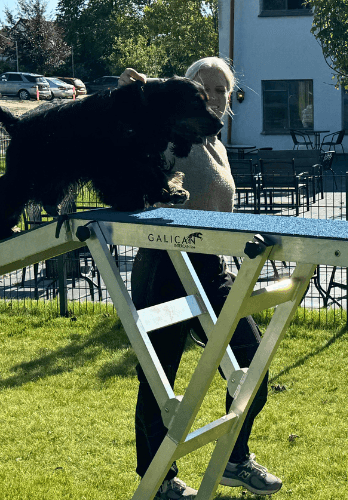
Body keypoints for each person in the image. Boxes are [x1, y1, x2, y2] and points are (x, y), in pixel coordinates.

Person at [122, 58, 282, 500]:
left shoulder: (219, 147)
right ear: (189, 93)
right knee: (159, 378)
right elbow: (135, 142)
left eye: (220, 91)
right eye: (204, 89)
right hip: (164, 267)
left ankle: (235, 459)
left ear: (230, 100)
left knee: (252, 367)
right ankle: (159, 478)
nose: (213, 97)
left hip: (212, 270)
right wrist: (132, 99)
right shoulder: (169, 135)